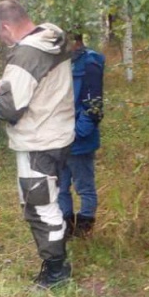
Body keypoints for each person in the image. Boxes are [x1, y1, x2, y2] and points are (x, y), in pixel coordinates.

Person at [0, 0, 76, 288]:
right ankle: (57, 264)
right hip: (58, 134)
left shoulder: (25, 54)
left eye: (1, 35)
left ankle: (56, 271)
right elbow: (40, 81)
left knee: (39, 208)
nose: (4, 40)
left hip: (37, 140)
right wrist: (8, 82)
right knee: (49, 199)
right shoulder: (52, 38)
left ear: (6, 27)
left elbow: (11, 109)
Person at [58, 32, 105, 238]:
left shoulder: (90, 63)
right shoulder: (61, 62)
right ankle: (65, 227)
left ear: (75, 41)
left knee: (84, 187)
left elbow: (94, 107)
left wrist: (78, 133)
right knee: (60, 187)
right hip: (58, 139)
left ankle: (84, 228)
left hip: (79, 141)